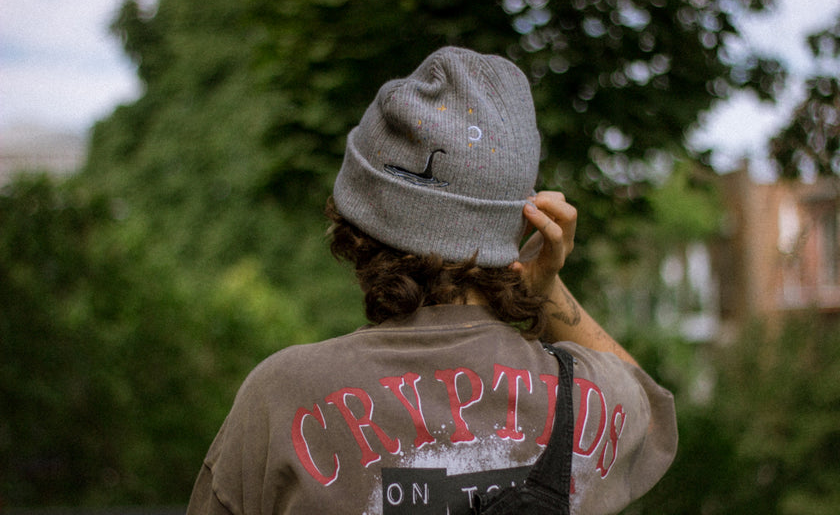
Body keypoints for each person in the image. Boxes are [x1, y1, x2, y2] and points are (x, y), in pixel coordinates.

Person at [186, 46, 677, 514]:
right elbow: (655, 417)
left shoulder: (278, 401)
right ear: (521, 218)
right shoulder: (592, 396)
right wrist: (546, 287)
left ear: (355, 228)